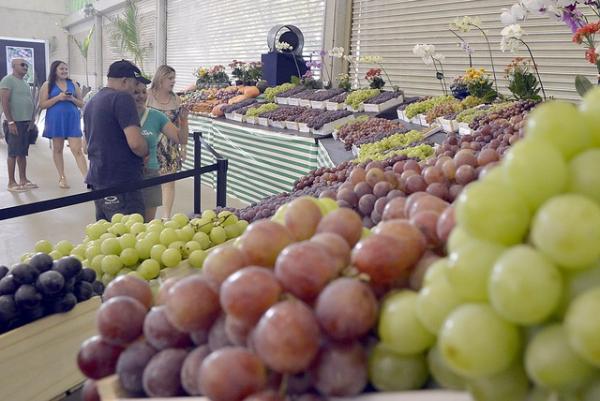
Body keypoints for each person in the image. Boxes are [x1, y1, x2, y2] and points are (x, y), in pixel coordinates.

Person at [83, 59, 149, 221]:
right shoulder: (122, 99)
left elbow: (86, 146)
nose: (135, 90)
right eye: (134, 84)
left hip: (98, 178)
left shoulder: (92, 101)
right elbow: (135, 143)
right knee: (130, 236)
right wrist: (146, 150)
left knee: (106, 237)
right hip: (121, 181)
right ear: (125, 81)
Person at [133, 81, 185, 222]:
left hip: (151, 173)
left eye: (144, 92)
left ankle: (166, 215)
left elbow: (180, 138)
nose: (141, 96)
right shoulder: (119, 115)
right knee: (129, 224)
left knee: (147, 224)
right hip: (127, 176)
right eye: (136, 92)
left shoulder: (156, 116)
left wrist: (184, 120)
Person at [147, 65, 189, 219]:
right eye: (170, 78)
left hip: (170, 145)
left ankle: (166, 216)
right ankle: (148, 217)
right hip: (150, 145)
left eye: (174, 78)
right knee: (150, 183)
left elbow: (181, 123)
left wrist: (184, 146)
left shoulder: (176, 99)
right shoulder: (147, 95)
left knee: (169, 183)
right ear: (160, 78)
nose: (173, 81)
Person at [39, 60, 87, 188]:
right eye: (62, 69)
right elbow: (42, 104)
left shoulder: (73, 84)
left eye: (66, 69)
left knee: (77, 150)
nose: (64, 71)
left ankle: (87, 178)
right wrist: (58, 98)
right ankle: (62, 177)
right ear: (55, 70)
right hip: (55, 119)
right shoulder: (48, 84)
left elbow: (82, 104)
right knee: (58, 148)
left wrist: (72, 99)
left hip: (72, 119)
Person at [0, 58, 37, 193]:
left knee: (22, 153)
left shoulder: (24, 83)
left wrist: (32, 119)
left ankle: (23, 179)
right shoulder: (7, 80)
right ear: (13, 66)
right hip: (15, 122)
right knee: (13, 153)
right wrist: (11, 122)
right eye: (22, 65)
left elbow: (30, 101)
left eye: (26, 65)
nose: (25, 67)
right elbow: (4, 101)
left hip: (25, 123)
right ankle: (11, 182)